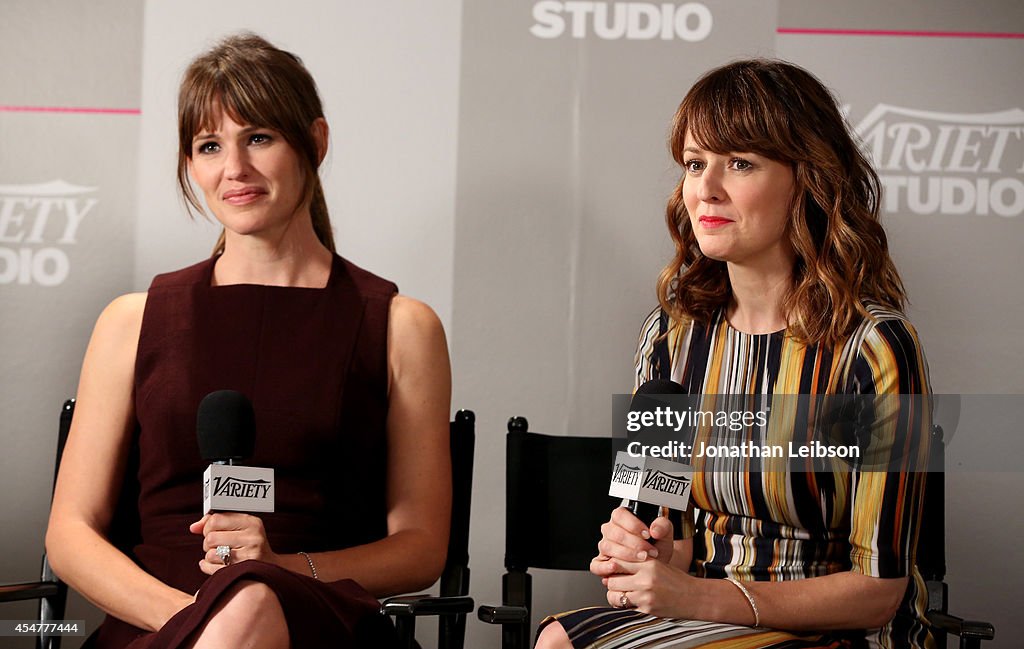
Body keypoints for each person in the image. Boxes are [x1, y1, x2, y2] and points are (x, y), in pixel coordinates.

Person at [45, 33, 452, 649]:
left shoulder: (400, 326)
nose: (234, 169)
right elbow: (70, 533)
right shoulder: (132, 321)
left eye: (258, 138)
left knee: (254, 603)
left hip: (322, 621)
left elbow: (421, 549)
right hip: (159, 622)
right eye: (210, 146)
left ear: (314, 142)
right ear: (190, 165)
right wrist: (197, 617)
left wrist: (282, 575)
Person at [537, 59, 934, 648]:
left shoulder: (872, 347)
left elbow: (879, 593)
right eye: (696, 164)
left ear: (808, 180)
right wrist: (653, 556)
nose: (706, 188)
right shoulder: (670, 338)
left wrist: (697, 596)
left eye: (740, 163)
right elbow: (677, 532)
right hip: (699, 618)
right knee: (558, 639)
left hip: (836, 632)